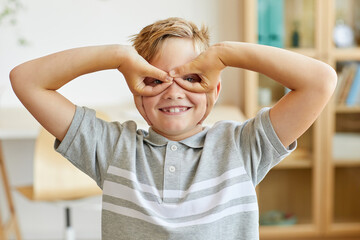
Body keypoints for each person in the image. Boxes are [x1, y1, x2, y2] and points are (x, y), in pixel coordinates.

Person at [9, 17, 337, 240]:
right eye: (155, 80)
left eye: (192, 78)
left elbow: (320, 81)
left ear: (215, 89)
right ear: (137, 92)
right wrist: (118, 57)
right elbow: (26, 81)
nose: (174, 91)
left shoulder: (242, 146)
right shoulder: (111, 148)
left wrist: (225, 54)